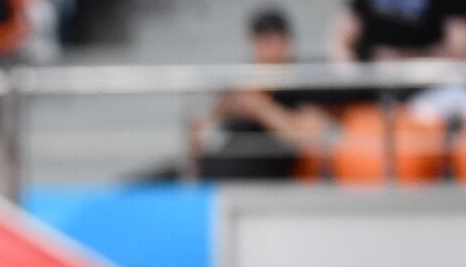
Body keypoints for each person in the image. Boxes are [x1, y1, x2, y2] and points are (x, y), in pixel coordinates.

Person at [194, 7, 334, 181]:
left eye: (272, 41)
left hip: (262, 183)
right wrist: (222, 111)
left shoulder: (300, 83)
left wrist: (260, 107)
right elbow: (200, 137)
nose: (267, 49)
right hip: (216, 174)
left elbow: (309, 138)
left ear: (286, 42)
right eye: (261, 41)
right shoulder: (241, 80)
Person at [331, 0, 466, 62]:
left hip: (426, 84)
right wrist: (351, 73)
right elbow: (343, 38)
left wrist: (402, 57)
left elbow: (459, 49)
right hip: (372, 80)